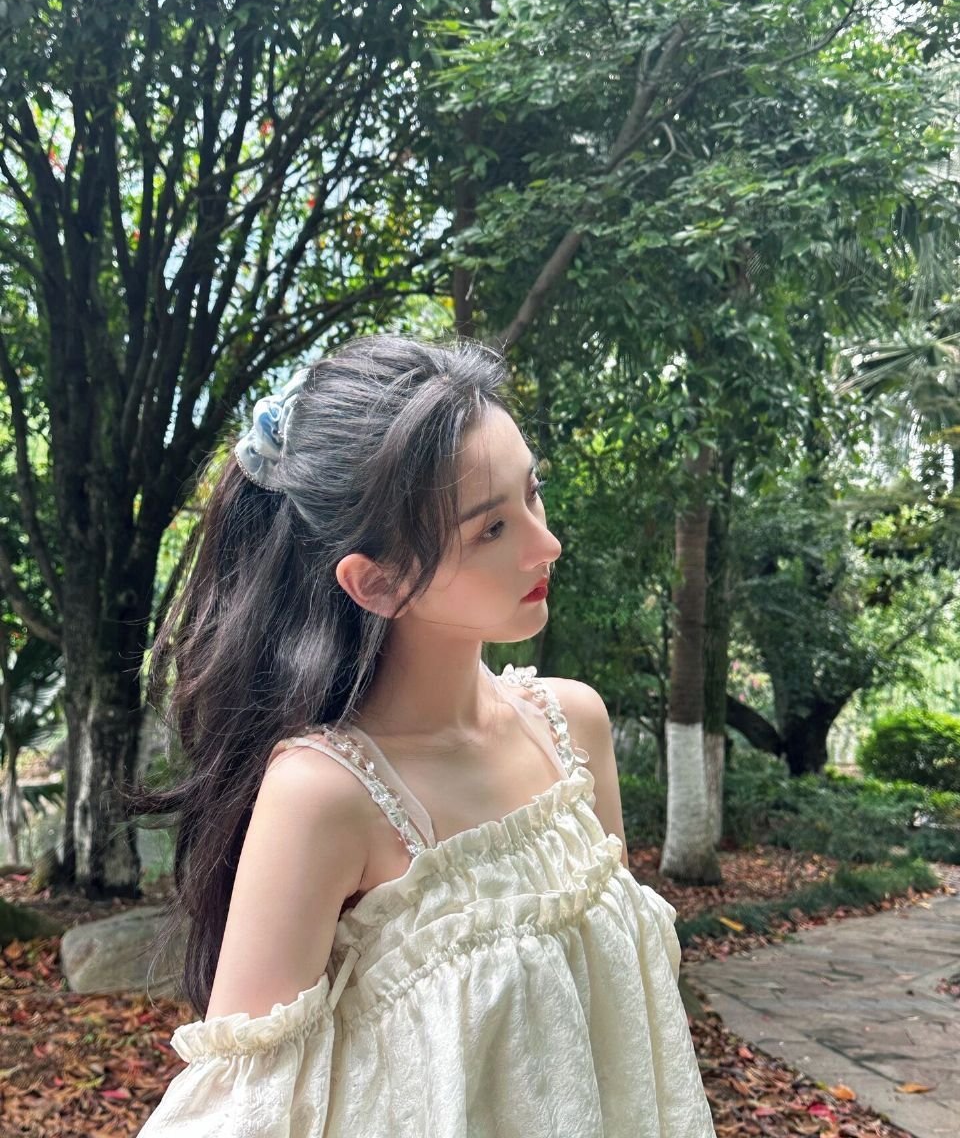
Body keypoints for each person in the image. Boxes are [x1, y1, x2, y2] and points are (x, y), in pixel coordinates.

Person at [134, 334, 716, 1137]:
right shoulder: (326, 795)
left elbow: (635, 1023)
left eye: (533, 494)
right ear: (376, 581)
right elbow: (244, 1108)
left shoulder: (573, 728)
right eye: (491, 529)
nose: (546, 544)